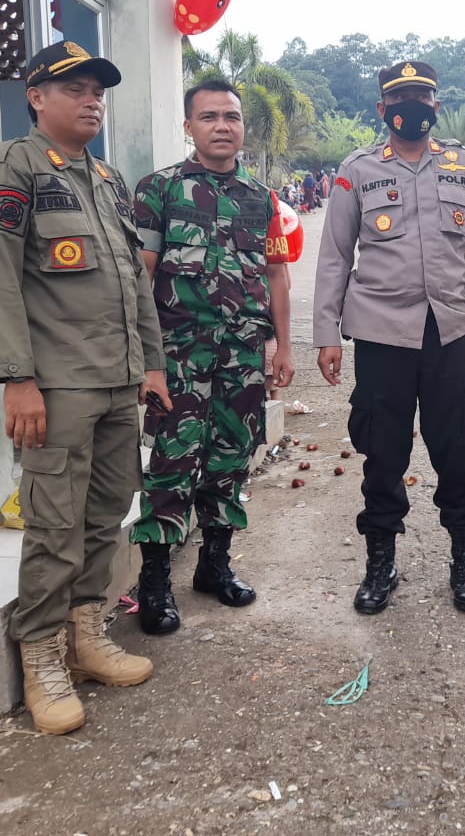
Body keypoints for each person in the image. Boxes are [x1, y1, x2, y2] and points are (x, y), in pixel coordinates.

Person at [0, 41, 169, 735]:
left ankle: (87, 638)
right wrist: (15, 379)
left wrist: (152, 362)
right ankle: (42, 659)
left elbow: (131, 281)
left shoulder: (107, 180)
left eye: (98, 91)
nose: (92, 101)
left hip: (116, 379)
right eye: (75, 88)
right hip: (55, 387)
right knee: (53, 525)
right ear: (36, 97)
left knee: (106, 512)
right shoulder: (10, 169)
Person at [313, 60, 465, 615]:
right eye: (400, 98)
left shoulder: (464, 166)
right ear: (382, 109)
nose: (411, 106)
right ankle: (381, 564)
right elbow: (333, 258)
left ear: (436, 105)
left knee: (456, 449)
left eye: (421, 97)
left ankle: (464, 562)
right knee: (383, 453)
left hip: (448, 331)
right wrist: (326, 333)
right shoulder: (357, 170)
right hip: (379, 334)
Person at [130, 79, 295, 636]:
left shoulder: (261, 198)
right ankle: (154, 580)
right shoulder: (159, 191)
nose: (222, 126)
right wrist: (147, 363)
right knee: (172, 466)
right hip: (178, 358)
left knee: (229, 460)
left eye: (231, 116)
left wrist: (282, 346)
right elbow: (142, 279)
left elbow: (275, 276)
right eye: (209, 117)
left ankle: (213, 565)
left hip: (242, 357)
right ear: (188, 126)